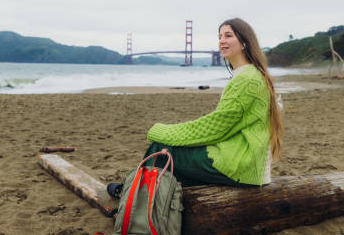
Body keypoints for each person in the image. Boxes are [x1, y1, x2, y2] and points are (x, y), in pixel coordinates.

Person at [107, 18, 283, 196]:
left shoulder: (246, 79)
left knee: (160, 149)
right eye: (220, 36)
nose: (222, 41)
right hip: (249, 164)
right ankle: (144, 195)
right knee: (176, 155)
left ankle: (134, 197)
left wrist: (164, 131)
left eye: (228, 35)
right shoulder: (252, 74)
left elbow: (216, 127)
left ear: (245, 42)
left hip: (240, 165)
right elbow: (224, 125)